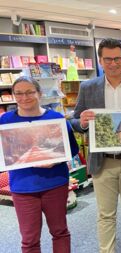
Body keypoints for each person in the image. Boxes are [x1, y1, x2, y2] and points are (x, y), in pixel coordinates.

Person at [69, 38, 121, 253]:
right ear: (100, 60)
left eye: (117, 59)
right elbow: (75, 121)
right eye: (108, 59)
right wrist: (83, 123)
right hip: (102, 162)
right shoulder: (88, 88)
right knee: (105, 214)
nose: (113, 63)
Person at [0, 76, 79, 253]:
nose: (24, 97)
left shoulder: (55, 118)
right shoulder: (5, 121)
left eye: (29, 92)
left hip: (54, 183)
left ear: (39, 93)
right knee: (29, 239)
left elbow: (72, 149)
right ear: (13, 95)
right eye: (18, 93)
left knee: (60, 232)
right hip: (23, 186)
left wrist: (56, 159)